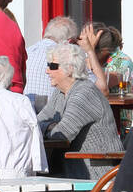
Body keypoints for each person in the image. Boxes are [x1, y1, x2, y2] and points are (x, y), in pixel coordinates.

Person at [38, 41, 124, 181]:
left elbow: (62, 134)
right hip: (74, 167)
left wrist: (47, 127)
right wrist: (49, 126)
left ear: (70, 69)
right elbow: (36, 123)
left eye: (52, 66)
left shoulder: (84, 94)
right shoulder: (60, 93)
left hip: (96, 173)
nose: (47, 71)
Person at [24, 15, 79, 112]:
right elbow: (101, 88)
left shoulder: (25, 53)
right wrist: (90, 51)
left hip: (25, 117)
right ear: (70, 42)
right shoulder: (67, 56)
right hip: (54, 120)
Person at [78, 22, 133, 95]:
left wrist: (90, 51)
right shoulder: (84, 56)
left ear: (104, 51)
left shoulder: (122, 60)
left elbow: (96, 85)